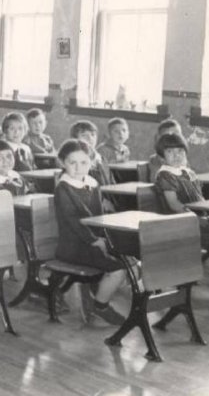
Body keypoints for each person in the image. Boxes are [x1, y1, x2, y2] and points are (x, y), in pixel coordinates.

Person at [154, 132, 209, 302]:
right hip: (178, 223)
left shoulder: (188, 172)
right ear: (162, 156)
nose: (177, 156)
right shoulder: (165, 175)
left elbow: (200, 198)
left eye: (180, 151)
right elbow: (174, 205)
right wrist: (197, 218)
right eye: (170, 152)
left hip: (196, 220)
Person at [53, 139, 125, 325]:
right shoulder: (63, 188)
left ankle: (98, 296)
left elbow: (99, 216)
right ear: (62, 163)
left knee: (130, 259)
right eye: (72, 163)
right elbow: (72, 221)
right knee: (118, 269)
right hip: (73, 246)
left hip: (93, 242)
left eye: (84, 163)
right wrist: (94, 240)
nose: (78, 168)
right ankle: (100, 306)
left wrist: (104, 238)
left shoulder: (92, 184)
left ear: (92, 163)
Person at [69, 120, 113, 186]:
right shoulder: (73, 159)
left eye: (93, 135)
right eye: (84, 135)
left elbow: (111, 183)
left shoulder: (101, 159)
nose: (90, 138)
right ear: (74, 139)